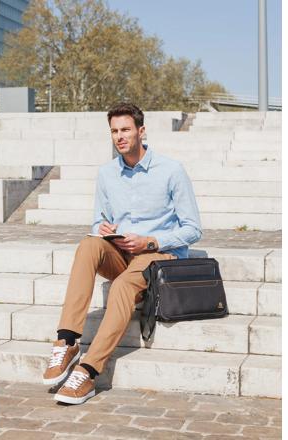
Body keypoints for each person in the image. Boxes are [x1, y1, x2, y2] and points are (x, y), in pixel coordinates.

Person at [43, 102, 202, 404]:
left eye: (126, 129)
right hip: (122, 254)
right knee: (88, 244)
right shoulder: (107, 173)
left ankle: (89, 370)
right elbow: (97, 219)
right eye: (114, 131)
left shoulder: (171, 170)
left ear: (141, 131)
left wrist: (149, 242)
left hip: (159, 255)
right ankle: (67, 340)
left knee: (122, 286)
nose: (120, 136)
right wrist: (102, 229)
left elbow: (193, 229)